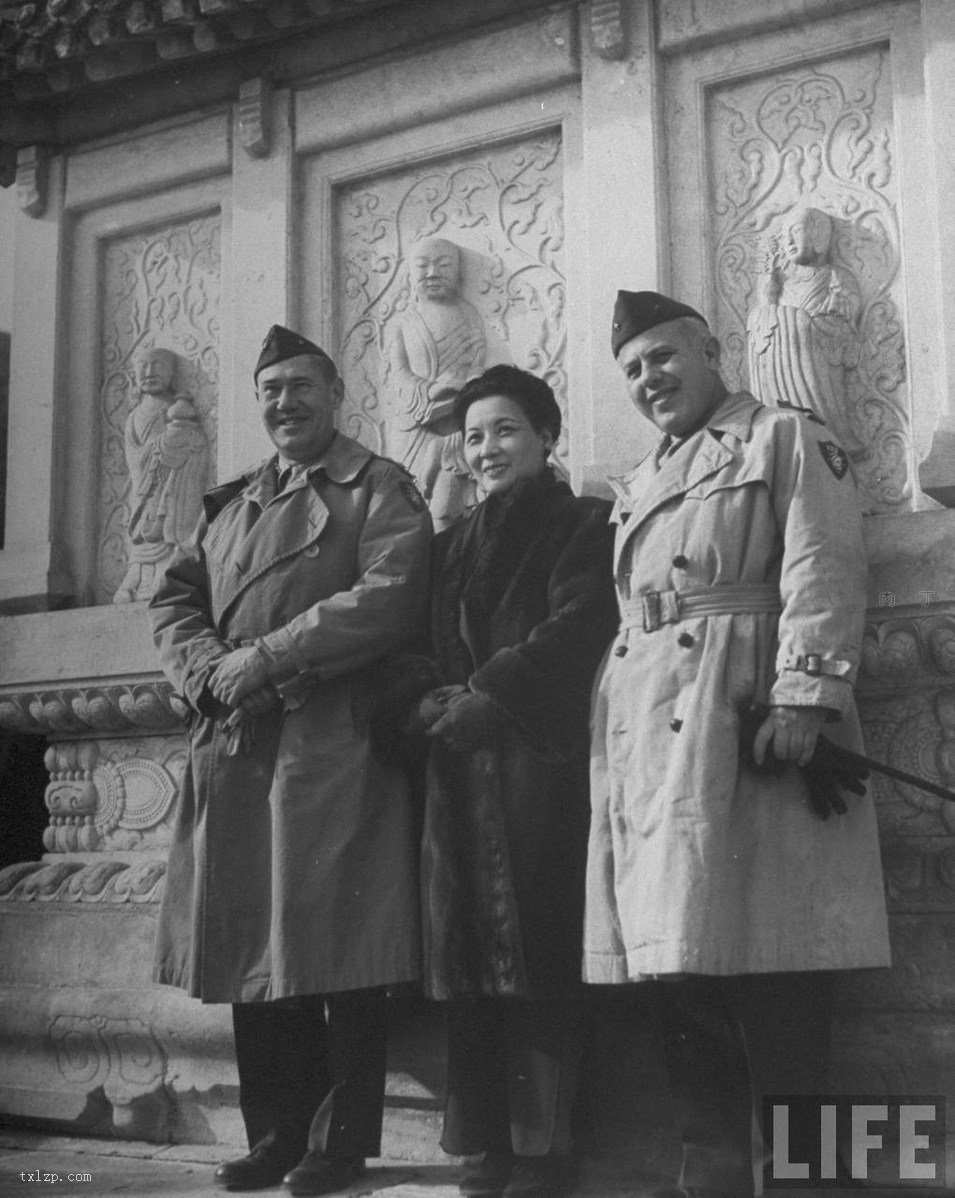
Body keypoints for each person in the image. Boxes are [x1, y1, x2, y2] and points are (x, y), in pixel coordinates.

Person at [584, 292, 890, 1197]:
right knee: (678, 965)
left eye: (663, 358)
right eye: (632, 370)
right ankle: (710, 1173)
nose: (649, 379)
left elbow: (824, 563)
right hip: (652, 735)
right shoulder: (640, 481)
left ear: (710, 350)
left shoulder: (782, 436)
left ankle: (812, 1181)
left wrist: (806, 692)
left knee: (779, 961)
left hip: (748, 715)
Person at [149, 325, 432, 1195]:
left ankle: (337, 1146)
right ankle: (273, 1133)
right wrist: (207, 671)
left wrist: (266, 657)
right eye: (270, 389)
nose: (285, 403)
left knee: (336, 944)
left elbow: (389, 597)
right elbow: (175, 599)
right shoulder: (230, 503)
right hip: (237, 739)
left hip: (330, 737)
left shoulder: (376, 486)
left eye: (301, 387)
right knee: (247, 942)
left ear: (335, 393)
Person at [375, 364, 618, 1197]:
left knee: (541, 958)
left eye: (506, 430)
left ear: (546, 437)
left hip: (536, 771)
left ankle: (547, 1149)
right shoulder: (447, 547)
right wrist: (430, 703)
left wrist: (493, 695)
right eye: (474, 436)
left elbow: (581, 620)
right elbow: (408, 647)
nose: (486, 449)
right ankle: (485, 1146)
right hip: (455, 774)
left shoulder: (583, 523)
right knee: (469, 968)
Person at [387, 236, 487, 529]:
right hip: (414, 425)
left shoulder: (469, 314)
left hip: (455, 425)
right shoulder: (404, 322)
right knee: (406, 506)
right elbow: (398, 373)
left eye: (443, 265)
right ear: (410, 275)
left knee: (448, 509)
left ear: (458, 272)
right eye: (423, 266)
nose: (432, 273)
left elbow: (477, 363)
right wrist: (428, 390)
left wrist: (466, 383)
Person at [115, 346, 209, 603]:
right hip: (145, 485)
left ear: (172, 373)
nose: (149, 372)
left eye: (158, 366)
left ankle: (169, 575)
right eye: (143, 367)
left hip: (170, 485)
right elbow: (134, 456)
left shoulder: (173, 409)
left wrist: (174, 444)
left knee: (166, 524)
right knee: (142, 530)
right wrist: (157, 448)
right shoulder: (134, 416)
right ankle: (135, 578)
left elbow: (191, 446)